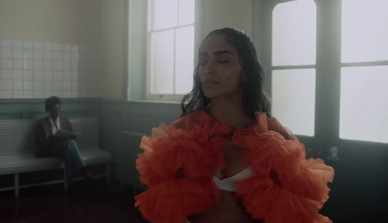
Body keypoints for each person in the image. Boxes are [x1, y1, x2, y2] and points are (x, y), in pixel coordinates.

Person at [135, 28, 334, 223]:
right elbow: (166, 208)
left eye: (223, 60)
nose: (208, 69)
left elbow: (293, 215)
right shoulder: (181, 133)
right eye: (203, 61)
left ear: (246, 72)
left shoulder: (276, 139)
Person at [35, 96, 93, 193]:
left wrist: (71, 136)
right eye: (54, 109)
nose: (57, 111)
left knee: (68, 152)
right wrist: (50, 138)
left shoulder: (65, 120)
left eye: (58, 108)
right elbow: (39, 142)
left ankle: (70, 184)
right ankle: (84, 171)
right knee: (71, 143)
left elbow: (72, 136)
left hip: (65, 147)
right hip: (51, 148)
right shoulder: (42, 123)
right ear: (48, 110)